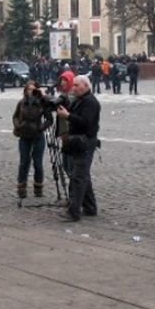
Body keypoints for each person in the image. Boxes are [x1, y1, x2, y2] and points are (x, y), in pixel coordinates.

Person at [56, 75, 99, 222]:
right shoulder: (79, 100)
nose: (73, 88)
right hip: (77, 142)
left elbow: (86, 123)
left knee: (78, 177)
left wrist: (67, 116)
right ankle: (90, 207)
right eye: (73, 85)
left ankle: (73, 211)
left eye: (76, 85)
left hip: (85, 142)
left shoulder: (91, 102)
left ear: (86, 87)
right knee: (83, 176)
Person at [12, 80, 53, 200]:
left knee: (38, 163)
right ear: (25, 91)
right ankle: (21, 187)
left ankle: (38, 187)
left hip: (37, 136)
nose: (31, 91)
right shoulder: (21, 103)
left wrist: (40, 128)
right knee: (24, 162)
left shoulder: (42, 103)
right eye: (28, 89)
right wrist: (18, 125)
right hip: (24, 136)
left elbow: (49, 120)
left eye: (33, 89)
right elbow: (15, 116)